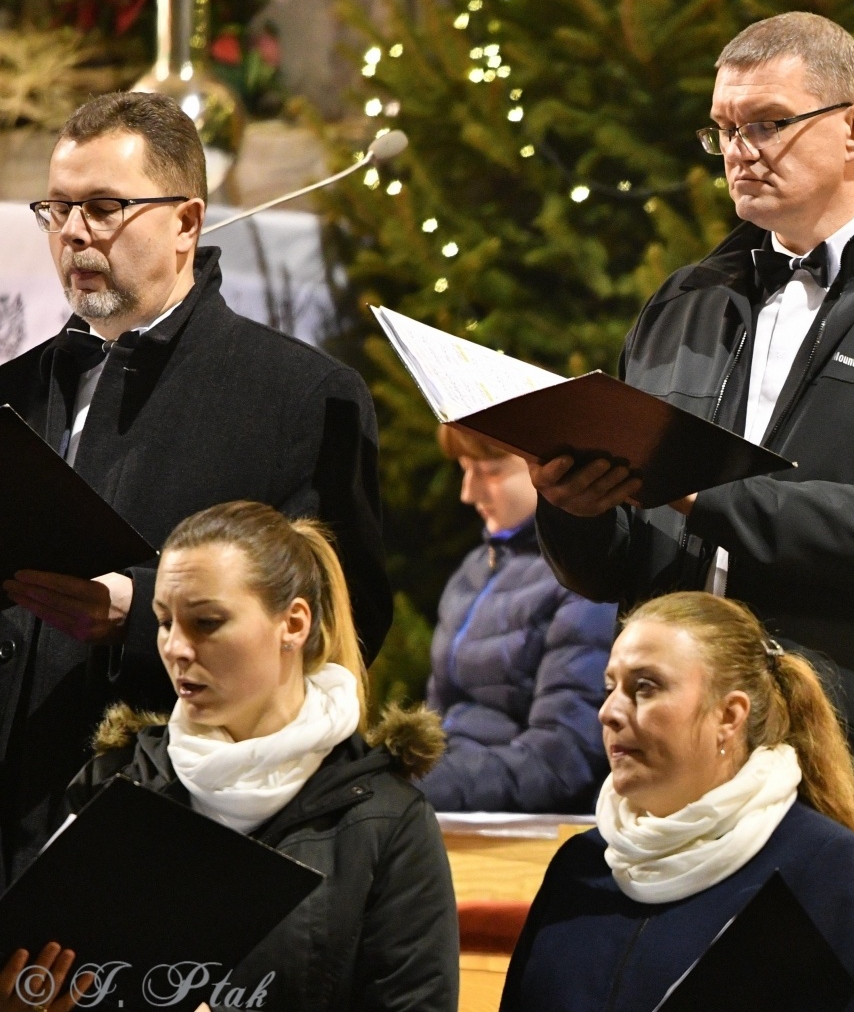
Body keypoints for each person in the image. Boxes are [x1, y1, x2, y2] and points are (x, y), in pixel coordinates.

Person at [527, 11, 854, 877]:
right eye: (725, 130)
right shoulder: (686, 301)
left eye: (767, 122)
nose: (741, 149)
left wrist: (713, 495)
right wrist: (574, 505)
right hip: (677, 765)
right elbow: (628, 559)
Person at [0, 91, 390, 884]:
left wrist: (138, 612)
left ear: (186, 222)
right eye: (59, 209)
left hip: (166, 828)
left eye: (105, 207)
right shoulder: (15, 390)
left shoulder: (299, 394)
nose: (74, 232)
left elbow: (344, 623)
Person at [35, 501, 457, 1012]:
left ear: (293, 624)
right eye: (165, 622)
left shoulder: (385, 820)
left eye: (207, 622)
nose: (176, 648)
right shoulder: (116, 783)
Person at [500, 591, 854, 1012]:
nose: (609, 711)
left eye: (645, 687)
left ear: (729, 716)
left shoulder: (829, 872)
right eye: (610, 688)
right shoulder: (581, 867)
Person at [417, 425, 616, 813]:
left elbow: (564, 760)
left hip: (525, 827)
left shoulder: (582, 583)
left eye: (490, 472)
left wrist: (427, 785)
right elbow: (435, 723)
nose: (468, 492)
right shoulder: (471, 573)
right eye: (464, 469)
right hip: (454, 803)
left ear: (553, 470)